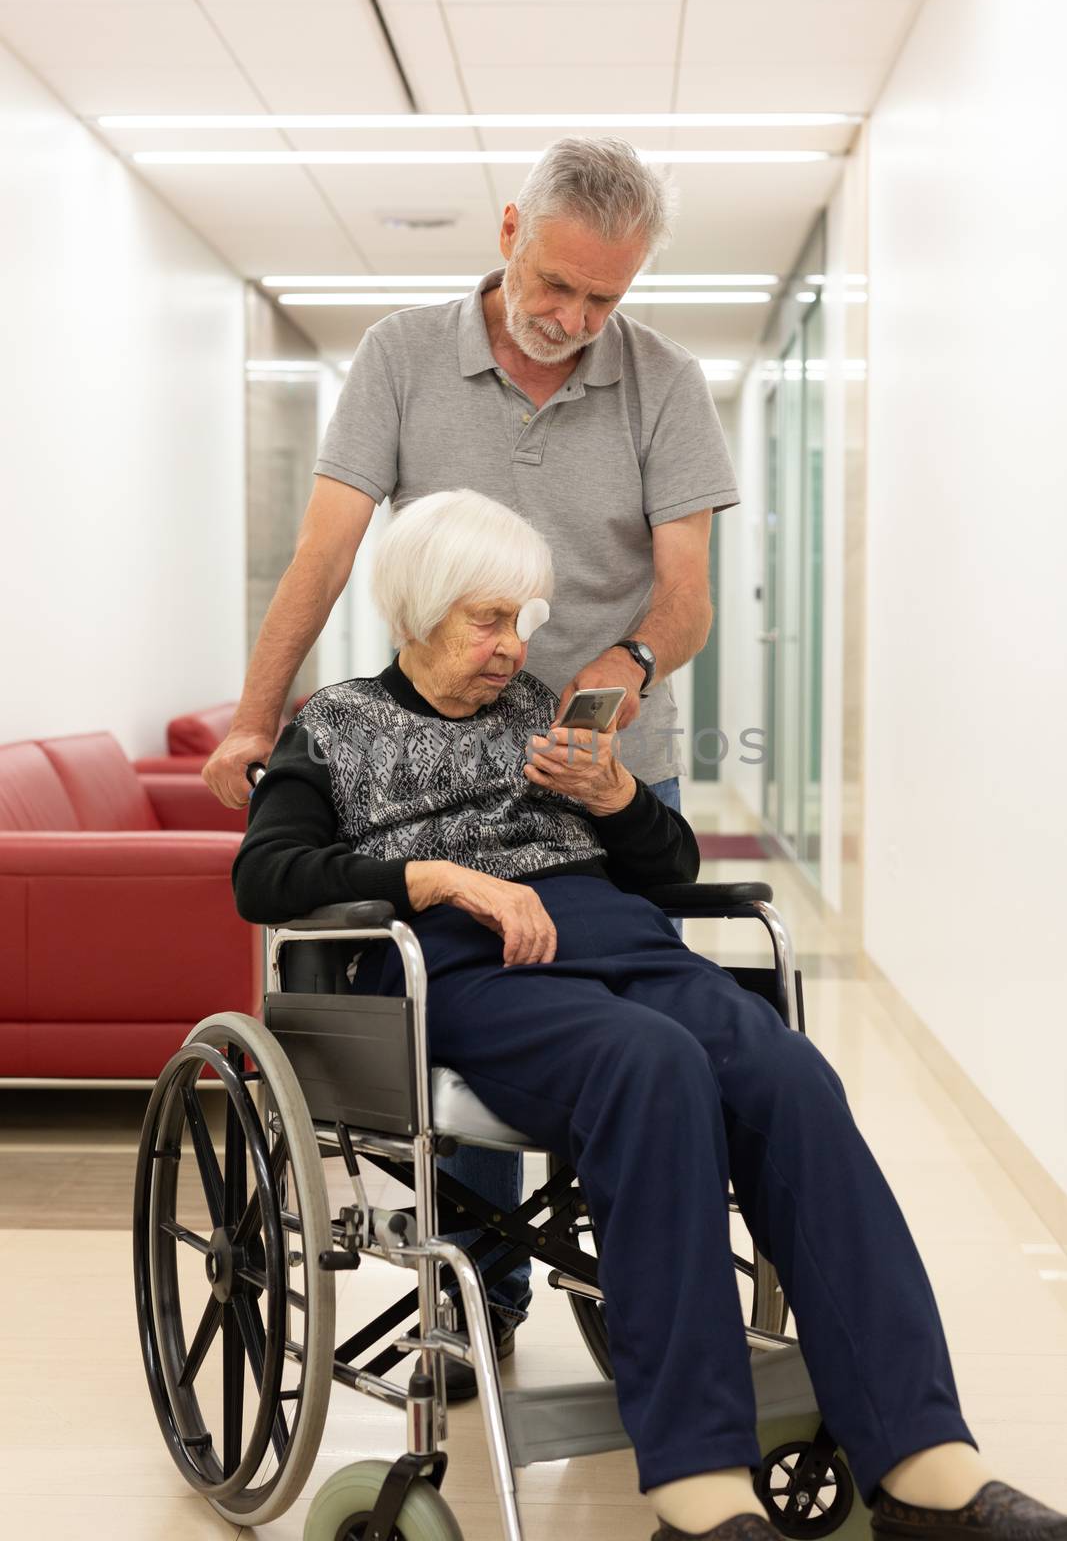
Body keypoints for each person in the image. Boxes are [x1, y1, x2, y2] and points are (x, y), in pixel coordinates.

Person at [232, 490, 1066, 1541]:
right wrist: (435, 875)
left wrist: (615, 794)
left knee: (787, 1072)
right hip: (475, 967)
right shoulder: (337, 725)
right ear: (416, 610)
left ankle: (918, 1459)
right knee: (649, 1064)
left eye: (521, 619)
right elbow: (264, 877)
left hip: (618, 939)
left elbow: (670, 866)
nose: (510, 645)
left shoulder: (543, 709)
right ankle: (698, 1487)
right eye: (485, 620)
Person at [207, 136, 740, 1387]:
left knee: (626, 1020)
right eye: (556, 284)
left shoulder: (662, 379)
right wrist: (253, 716)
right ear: (508, 231)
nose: (573, 318)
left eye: (605, 297)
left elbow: (684, 594)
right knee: (486, 1015)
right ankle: (486, 1292)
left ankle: (636, 1272)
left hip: (596, 767)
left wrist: (624, 673)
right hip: (437, 764)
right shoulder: (400, 356)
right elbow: (324, 557)